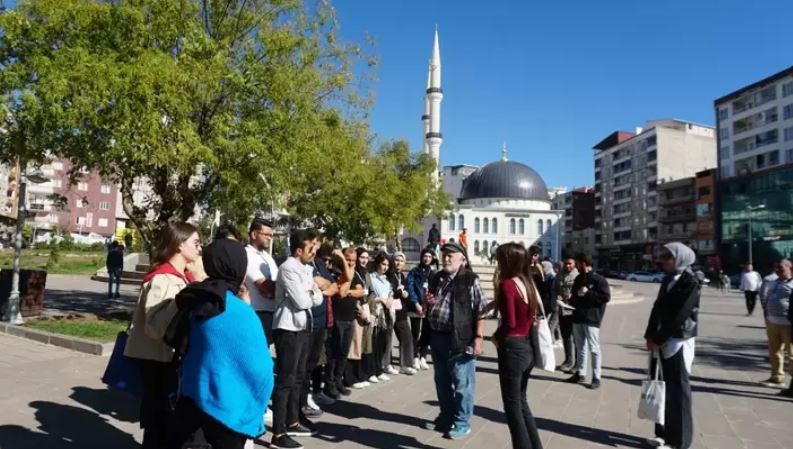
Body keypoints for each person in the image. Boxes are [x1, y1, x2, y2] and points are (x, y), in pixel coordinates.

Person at [172, 239, 274, 449]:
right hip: (228, 411)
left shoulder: (197, 299)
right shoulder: (240, 312)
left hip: (191, 400)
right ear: (238, 267)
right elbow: (261, 370)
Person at [124, 222, 200, 449]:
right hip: (158, 361)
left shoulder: (183, 276)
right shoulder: (163, 278)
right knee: (159, 424)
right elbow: (154, 327)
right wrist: (179, 302)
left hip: (168, 360)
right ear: (179, 245)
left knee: (165, 424)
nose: (200, 248)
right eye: (195, 243)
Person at [419, 242, 488, 440]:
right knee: (442, 382)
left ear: (462, 259)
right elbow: (428, 304)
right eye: (444, 255)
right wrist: (427, 303)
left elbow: (481, 310)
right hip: (437, 337)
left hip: (460, 339)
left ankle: (462, 423)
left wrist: (479, 337)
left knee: (463, 384)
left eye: (451, 255)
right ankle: (446, 417)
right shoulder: (438, 277)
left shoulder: (470, 279)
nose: (446, 258)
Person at [270, 229, 324, 449]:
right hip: (288, 328)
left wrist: (311, 291)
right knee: (285, 380)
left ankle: (293, 420)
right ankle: (278, 432)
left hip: (303, 327)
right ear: (299, 249)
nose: (314, 250)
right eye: (311, 246)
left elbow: (318, 298)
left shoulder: (307, 268)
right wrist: (311, 291)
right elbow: (302, 301)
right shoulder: (288, 268)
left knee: (299, 377)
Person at [644, 242, 700, 449]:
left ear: (680, 259)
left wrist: (659, 339)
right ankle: (663, 434)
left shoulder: (691, 281)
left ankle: (680, 441)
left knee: (678, 391)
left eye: (668, 258)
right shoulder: (668, 279)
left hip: (678, 340)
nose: (663, 261)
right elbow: (657, 308)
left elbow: (681, 314)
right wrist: (650, 335)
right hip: (661, 340)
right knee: (661, 387)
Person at [492, 243, 544, 449]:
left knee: (512, 409)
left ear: (508, 261)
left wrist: (496, 336)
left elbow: (510, 322)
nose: (497, 262)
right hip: (527, 346)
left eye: (499, 259)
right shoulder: (527, 282)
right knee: (522, 403)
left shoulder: (507, 284)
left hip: (512, 348)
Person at [301, 244, 340, 417]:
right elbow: (312, 287)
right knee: (304, 364)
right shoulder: (302, 266)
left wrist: (321, 286)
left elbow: (333, 286)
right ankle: (303, 398)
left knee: (315, 361)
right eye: (312, 244)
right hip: (308, 321)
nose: (314, 249)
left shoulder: (320, 266)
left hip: (322, 320)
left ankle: (311, 394)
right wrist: (320, 287)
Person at [566, 253, 610, 389]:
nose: (576, 267)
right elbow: (574, 296)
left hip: (592, 318)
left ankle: (596, 377)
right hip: (578, 316)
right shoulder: (579, 278)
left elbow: (605, 297)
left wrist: (588, 292)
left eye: (578, 264)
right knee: (580, 347)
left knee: (594, 348)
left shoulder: (599, 279)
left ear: (584, 263)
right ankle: (581, 373)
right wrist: (568, 299)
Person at [323, 247, 359, 399]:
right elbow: (341, 292)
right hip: (336, 319)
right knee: (333, 354)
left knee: (344, 353)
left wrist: (351, 291)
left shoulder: (354, 274)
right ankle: (329, 383)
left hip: (350, 318)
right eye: (347, 259)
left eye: (353, 260)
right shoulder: (335, 273)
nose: (350, 263)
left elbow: (360, 291)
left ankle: (338, 381)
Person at [759, 259, 793, 390]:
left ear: (790, 268)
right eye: (776, 268)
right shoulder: (774, 282)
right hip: (773, 322)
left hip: (788, 324)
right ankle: (777, 377)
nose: (778, 270)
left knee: (791, 354)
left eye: (781, 268)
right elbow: (766, 297)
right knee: (775, 352)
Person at [245, 219, 279, 346]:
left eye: (271, 235)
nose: (270, 239)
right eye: (266, 235)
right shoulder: (248, 255)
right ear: (254, 234)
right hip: (257, 313)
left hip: (271, 312)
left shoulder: (268, 257)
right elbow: (266, 287)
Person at [368, 253, 396, 382]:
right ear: (378, 263)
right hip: (375, 313)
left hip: (386, 314)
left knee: (382, 342)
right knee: (373, 343)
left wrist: (389, 298)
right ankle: (372, 371)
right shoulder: (371, 278)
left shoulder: (386, 280)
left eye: (387, 265)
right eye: (383, 264)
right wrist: (381, 299)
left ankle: (379, 369)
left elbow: (391, 293)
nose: (385, 267)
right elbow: (370, 295)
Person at [406, 248, 435, 371]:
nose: (427, 258)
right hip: (416, 306)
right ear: (421, 257)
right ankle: (415, 357)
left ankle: (423, 356)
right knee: (415, 332)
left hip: (428, 307)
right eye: (425, 256)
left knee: (426, 332)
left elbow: (436, 290)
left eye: (429, 256)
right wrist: (416, 303)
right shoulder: (414, 271)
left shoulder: (434, 273)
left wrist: (430, 302)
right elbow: (410, 287)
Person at [389, 252, 417, 375]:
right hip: (390, 310)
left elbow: (404, 293)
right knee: (387, 338)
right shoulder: (389, 274)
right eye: (396, 260)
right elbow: (392, 291)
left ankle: (405, 364)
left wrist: (405, 294)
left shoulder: (402, 276)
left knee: (406, 336)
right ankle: (386, 364)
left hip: (401, 311)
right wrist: (400, 292)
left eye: (401, 261)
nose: (398, 263)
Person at [553, 256, 579, 373]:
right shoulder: (560, 275)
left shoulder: (578, 276)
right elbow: (554, 288)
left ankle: (578, 363)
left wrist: (573, 296)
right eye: (566, 263)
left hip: (574, 310)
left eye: (570, 263)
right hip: (563, 310)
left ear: (574, 264)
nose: (568, 266)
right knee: (566, 337)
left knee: (577, 339)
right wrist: (557, 295)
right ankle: (568, 360)